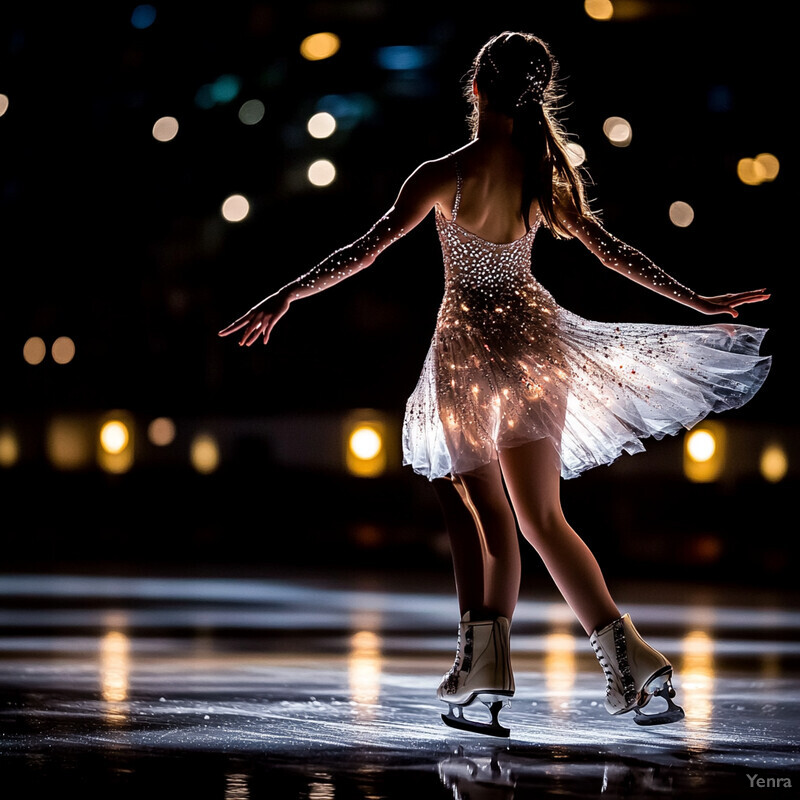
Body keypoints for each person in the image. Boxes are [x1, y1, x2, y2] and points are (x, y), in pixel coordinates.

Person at [219, 31, 771, 737]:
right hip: (537, 345)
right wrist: (692, 297)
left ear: (475, 88)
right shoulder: (539, 172)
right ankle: (633, 666)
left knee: (486, 516)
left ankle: (483, 672)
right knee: (543, 518)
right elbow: (611, 250)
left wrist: (289, 293)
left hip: (470, 355)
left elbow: (365, 250)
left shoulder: (442, 174)